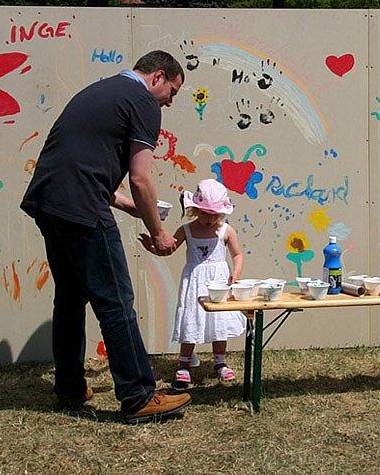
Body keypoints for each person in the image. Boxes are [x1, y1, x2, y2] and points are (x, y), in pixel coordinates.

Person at [21, 50, 191, 424]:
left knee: (69, 298)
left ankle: (69, 387)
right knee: (115, 301)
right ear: (158, 76)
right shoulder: (143, 101)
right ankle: (138, 396)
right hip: (81, 207)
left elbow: (80, 162)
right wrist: (160, 234)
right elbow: (142, 176)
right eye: (172, 91)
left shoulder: (99, 92)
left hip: (49, 201)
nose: (170, 100)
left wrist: (131, 207)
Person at [138, 179, 246, 389]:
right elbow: (169, 249)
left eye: (215, 214)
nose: (211, 218)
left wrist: (236, 272)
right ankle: (184, 363)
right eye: (206, 213)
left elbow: (238, 254)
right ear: (194, 210)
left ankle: (219, 362)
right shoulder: (186, 230)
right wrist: (153, 247)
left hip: (219, 284)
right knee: (191, 320)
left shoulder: (226, 231)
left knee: (219, 323)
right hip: (194, 283)